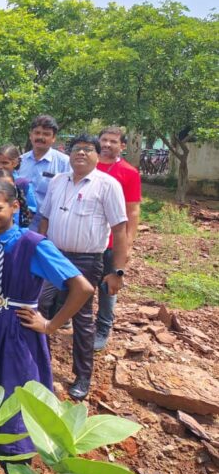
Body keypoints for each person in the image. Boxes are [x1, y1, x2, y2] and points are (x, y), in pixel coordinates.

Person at [0, 180, 93, 459]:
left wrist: (50, 325)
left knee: (16, 388)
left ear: (15, 206)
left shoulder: (33, 244)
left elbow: (82, 287)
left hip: (17, 330)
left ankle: (15, 456)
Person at [38, 134, 129, 400]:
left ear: (97, 155)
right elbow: (44, 218)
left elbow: (120, 230)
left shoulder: (107, 185)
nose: (80, 153)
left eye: (88, 150)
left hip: (87, 260)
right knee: (40, 305)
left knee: (82, 317)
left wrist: (117, 271)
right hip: (54, 256)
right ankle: (41, 365)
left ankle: (82, 376)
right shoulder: (57, 181)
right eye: (76, 149)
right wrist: (42, 249)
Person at [94, 126, 142, 351]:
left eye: (113, 141)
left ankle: (103, 329)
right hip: (88, 240)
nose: (107, 145)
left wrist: (128, 243)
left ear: (122, 145)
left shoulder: (128, 172)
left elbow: (132, 211)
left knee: (108, 287)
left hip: (113, 242)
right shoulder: (87, 165)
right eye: (104, 140)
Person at [19, 115, 71, 229]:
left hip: (51, 226)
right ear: (30, 135)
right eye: (37, 133)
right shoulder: (20, 161)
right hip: (22, 226)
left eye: (46, 134)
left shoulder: (64, 163)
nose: (40, 137)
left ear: (53, 138)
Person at [0, 144, 38, 217]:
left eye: (5, 163)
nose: (0, 166)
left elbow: (31, 209)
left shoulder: (22, 183)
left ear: (15, 163)